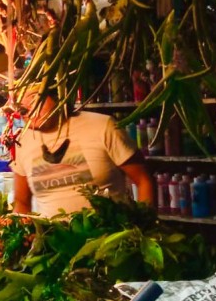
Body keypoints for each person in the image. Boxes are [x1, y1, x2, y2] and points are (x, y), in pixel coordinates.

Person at [12, 92, 154, 217]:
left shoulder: (103, 126)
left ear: (57, 94)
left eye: (34, 99)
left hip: (111, 242)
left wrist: (144, 230)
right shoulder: (21, 141)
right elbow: (21, 201)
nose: (28, 109)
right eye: (20, 105)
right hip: (54, 244)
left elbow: (144, 180)